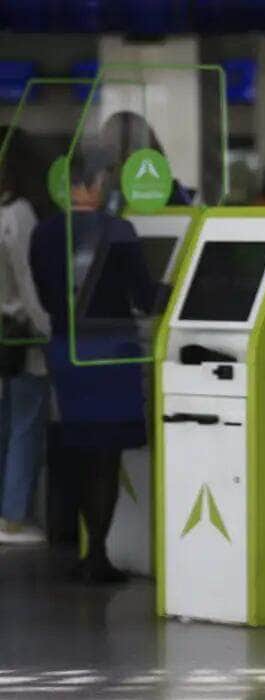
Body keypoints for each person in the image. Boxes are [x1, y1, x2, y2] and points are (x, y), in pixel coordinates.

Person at [29, 145, 156, 583]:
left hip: (68, 352)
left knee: (83, 452)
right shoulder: (119, 230)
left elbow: (47, 297)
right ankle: (97, 555)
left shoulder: (44, 233)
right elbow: (145, 297)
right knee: (105, 457)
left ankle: (88, 554)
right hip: (112, 354)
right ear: (98, 181)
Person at [0, 126, 51, 544]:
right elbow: (29, 280)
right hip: (19, 335)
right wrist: (49, 328)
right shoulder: (18, 215)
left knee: (5, 423)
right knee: (26, 422)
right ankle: (13, 517)